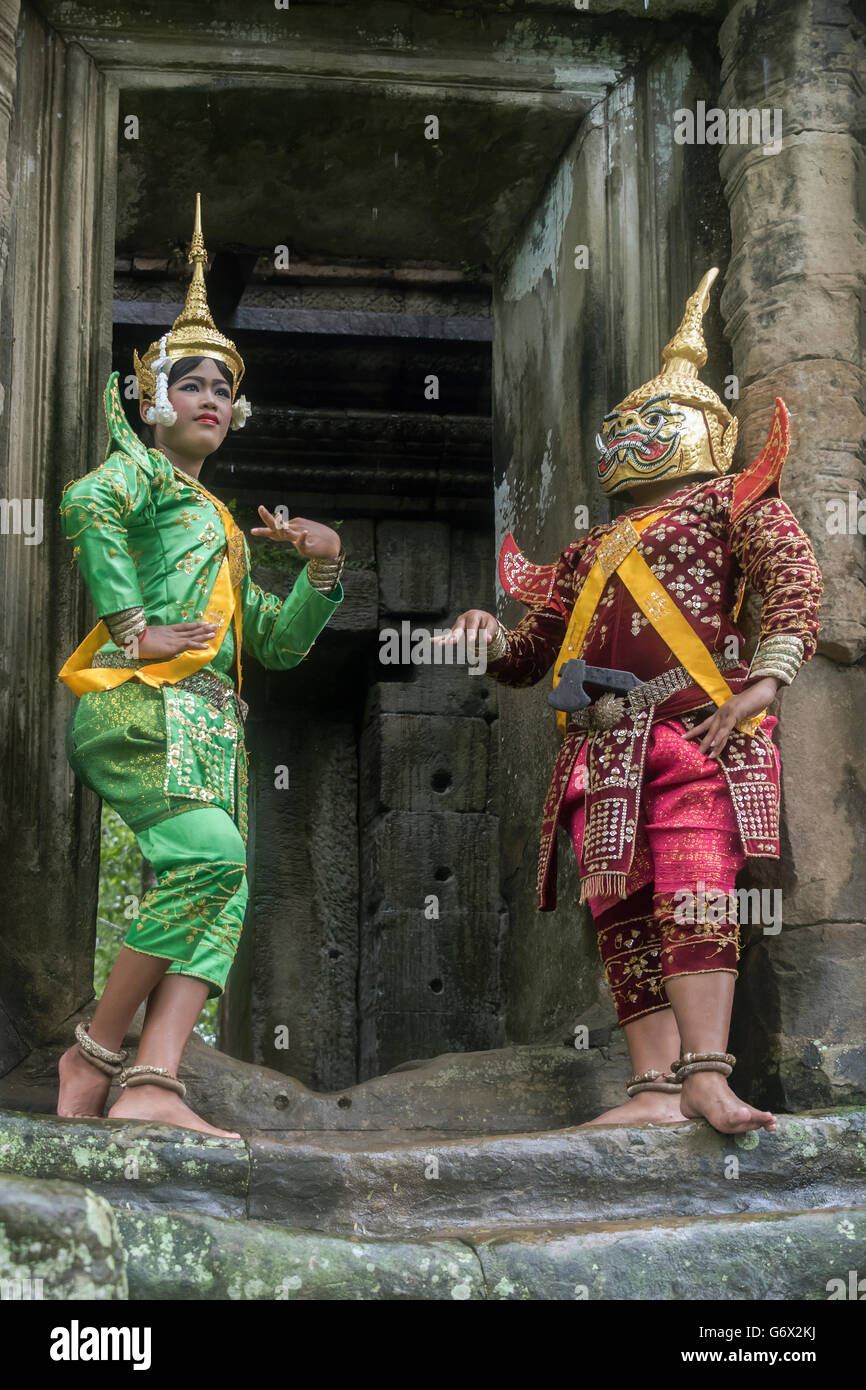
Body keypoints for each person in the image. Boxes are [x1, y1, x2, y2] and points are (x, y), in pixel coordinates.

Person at [444, 268, 822, 1135]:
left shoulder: (733, 501)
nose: (634, 436)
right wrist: (489, 641)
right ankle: (651, 1088)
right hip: (599, 752)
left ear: (704, 431)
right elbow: (529, 656)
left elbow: (794, 579)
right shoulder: (584, 552)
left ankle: (707, 1076)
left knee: (697, 895)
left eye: (656, 422)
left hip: (700, 733)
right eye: (626, 425)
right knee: (622, 912)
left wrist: (767, 679)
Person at [56, 194, 345, 1137]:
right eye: (191, 386)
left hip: (210, 719)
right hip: (142, 702)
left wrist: (323, 569)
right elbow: (86, 506)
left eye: (222, 389)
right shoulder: (138, 472)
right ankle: (95, 1054)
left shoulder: (218, 517)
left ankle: (153, 1084)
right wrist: (135, 629)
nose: (211, 401)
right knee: (210, 862)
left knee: (222, 894)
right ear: (151, 401)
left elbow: (270, 638)